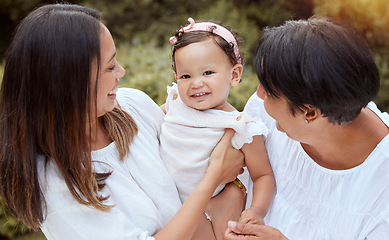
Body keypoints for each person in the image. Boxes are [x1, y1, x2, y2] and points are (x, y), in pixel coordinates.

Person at [0, 4, 247, 240]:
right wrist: (214, 180)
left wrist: (233, 190)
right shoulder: (55, 184)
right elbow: (215, 171)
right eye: (109, 67)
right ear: (67, 83)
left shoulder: (131, 105)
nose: (121, 72)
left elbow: (201, 148)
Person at [224, 16, 389, 239]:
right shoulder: (266, 113)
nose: (258, 94)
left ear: (309, 112)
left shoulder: (381, 195)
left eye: (268, 91)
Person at [160, 17, 275, 235]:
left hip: (206, 211)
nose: (196, 83)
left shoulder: (240, 126)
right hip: (165, 203)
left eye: (208, 73)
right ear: (177, 78)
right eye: (186, 75)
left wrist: (257, 210)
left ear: (234, 75)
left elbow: (262, 175)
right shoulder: (174, 102)